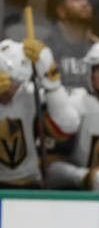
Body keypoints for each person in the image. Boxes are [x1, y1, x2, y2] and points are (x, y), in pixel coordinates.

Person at [45, 41, 99, 192]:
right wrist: (84, 177)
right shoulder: (73, 103)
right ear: (89, 73)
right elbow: (50, 167)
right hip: (80, 198)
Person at [0, 37, 78, 187]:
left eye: (15, 82)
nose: (10, 89)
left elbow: (68, 126)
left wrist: (51, 78)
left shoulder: (30, 94)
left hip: (31, 183)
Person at [45, 0, 99, 89]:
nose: (85, 3)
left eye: (86, 0)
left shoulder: (98, 47)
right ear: (61, 11)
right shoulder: (48, 46)